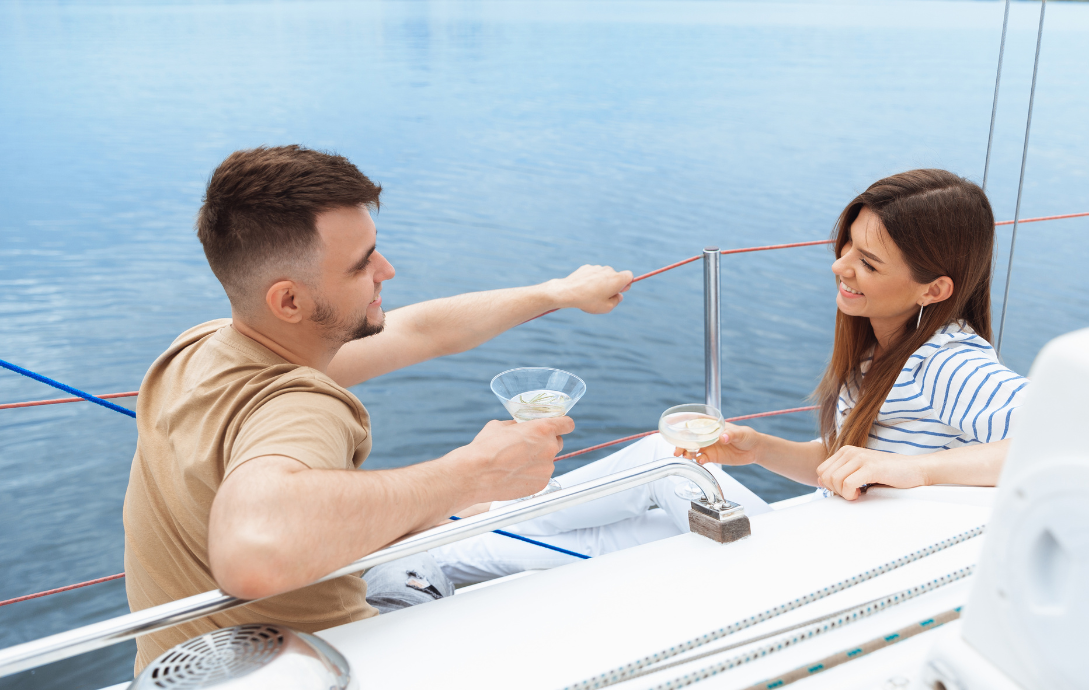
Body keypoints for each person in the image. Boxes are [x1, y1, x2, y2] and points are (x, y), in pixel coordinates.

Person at [122, 145, 632, 670]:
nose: (387, 269)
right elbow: (253, 550)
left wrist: (558, 292)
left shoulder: (198, 349)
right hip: (340, 666)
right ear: (290, 302)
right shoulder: (301, 403)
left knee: (419, 543)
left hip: (187, 670)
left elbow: (421, 331)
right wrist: (472, 474)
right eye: (362, 264)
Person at [429, 168, 1026, 583]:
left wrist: (915, 471)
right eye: (845, 245)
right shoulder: (884, 348)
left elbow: (1068, 438)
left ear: (936, 288)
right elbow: (853, 466)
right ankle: (432, 561)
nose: (841, 267)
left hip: (825, 570)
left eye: (868, 262)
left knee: (659, 468)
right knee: (640, 509)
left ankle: (465, 520)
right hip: (820, 546)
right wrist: (758, 449)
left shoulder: (949, 362)